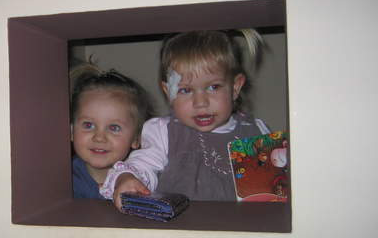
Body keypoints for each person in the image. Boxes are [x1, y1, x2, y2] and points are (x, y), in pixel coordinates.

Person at [99, 30, 271, 210]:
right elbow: (143, 164)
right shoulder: (163, 131)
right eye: (186, 90)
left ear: (235, 87)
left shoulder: (255, 132)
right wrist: (128, 178)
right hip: (178, 226)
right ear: (169, 92)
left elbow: (268, 194)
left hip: (241, 226)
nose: (201, 102)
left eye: (213, 87)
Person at [70, 64, 154, 199]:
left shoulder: (144, 178)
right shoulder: (61, 181)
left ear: (136, 138)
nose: (99, 137)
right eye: (88, 125)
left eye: (114, 128)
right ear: (71, 131)